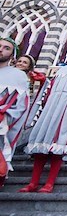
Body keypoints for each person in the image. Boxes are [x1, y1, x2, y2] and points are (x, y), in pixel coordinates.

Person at [19, 43, 67, 193]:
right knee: (41, 142)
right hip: (51, 107)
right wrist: (43, 81)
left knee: (59, 143)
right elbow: (50, 88)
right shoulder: (62, 70)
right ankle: (33, 183)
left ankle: (49, 183)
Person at [0, 37, 30, 188]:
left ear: (13, 55)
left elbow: (21, 106)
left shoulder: (17, 76)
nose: (1, 49)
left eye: (6, 48)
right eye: (0, 46)